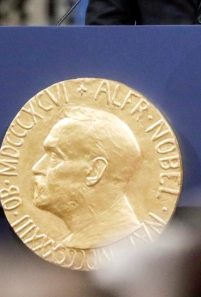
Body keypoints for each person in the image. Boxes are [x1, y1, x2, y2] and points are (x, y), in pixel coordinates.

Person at [31, 106, 142, 249]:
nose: (36, 168)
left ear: (95, 171)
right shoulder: (75, 241)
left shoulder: (116, 234)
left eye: (54, 157)